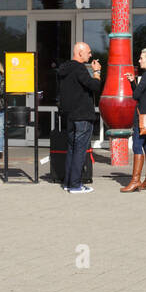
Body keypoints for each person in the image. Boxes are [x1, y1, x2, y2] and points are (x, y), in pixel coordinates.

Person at [57, 42, 100, 193]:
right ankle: (76, 185)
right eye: (88, 52)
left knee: (72, 149)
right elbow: (93, 86)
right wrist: (96, 73)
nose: (90, 55)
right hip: (82, 115)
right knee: (80, 150)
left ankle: (68, 183)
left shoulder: (64, 69)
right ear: (80, 53)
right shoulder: (79, 68)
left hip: (69, 116)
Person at [121, 48, 146, 192]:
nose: (139, 61)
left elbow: (136, 95)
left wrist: (133, 84)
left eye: (141, 58)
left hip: (142, 117)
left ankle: (135, 181)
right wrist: (134, 81)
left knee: (137, 146)